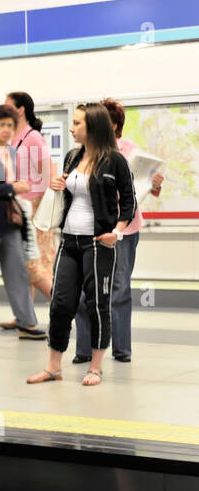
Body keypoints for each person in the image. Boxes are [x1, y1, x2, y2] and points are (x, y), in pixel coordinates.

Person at [26, 102, 136, 387]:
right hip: (69, 241)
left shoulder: (115, 161)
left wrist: (117, 232)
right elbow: (69, 197)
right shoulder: (72, 157)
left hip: (97, 243)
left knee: (97, 304)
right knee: (61, 304)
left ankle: (96, 367)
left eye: (77, 123)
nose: (72, 128)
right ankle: (53, 367)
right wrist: (58, 186)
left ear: (93, 126)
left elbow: (129, 202)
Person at [72, 97, 165, 363]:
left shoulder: (130, 150)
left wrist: (155, 183)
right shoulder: (81, 151)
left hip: (125, 227)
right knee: (84, 288)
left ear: (113, 124)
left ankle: (122, 349)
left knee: (120, 287)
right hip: (89, 226)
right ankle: (84, 350)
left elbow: (140, 189)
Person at [0, 103, 44, 339]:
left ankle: (27, 323)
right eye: (2, 125)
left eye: (10, 125)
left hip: (10, 221)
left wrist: (15, 187)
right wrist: (12, 187)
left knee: (18, 272)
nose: (7, 129)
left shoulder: (11, 151)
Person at [0, 91, 55, 327]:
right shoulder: (12, 137)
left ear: (21, 110)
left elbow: (48, 175)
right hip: (19, 206)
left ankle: (67, 309)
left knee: (36, 265)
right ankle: (25, 317)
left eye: (8, 105)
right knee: (24, 264)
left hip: (35, 208)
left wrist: (41, 210)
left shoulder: (33, 138)